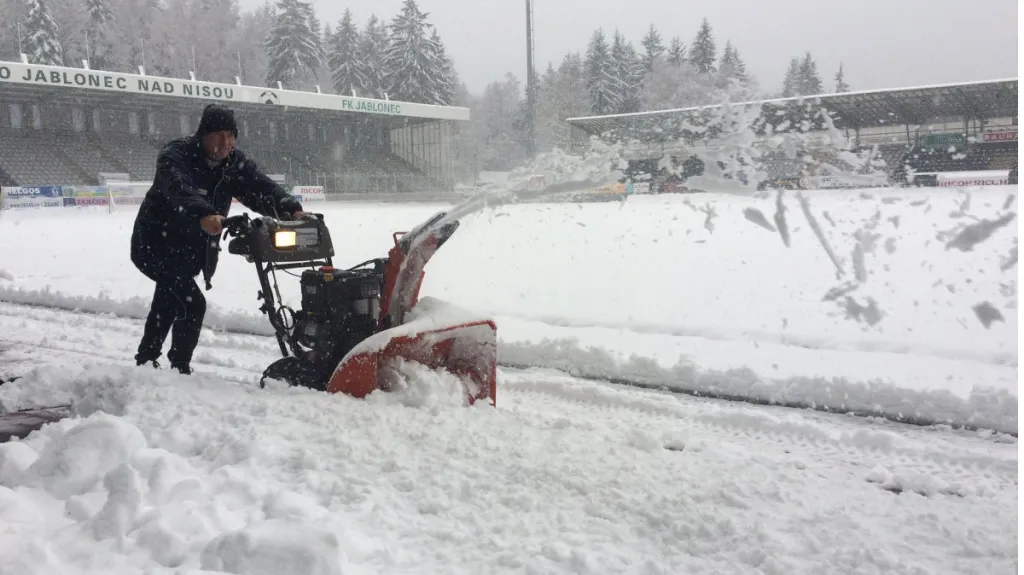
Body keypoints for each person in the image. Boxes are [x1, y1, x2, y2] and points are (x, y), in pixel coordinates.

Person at [130, 103, 310, 374]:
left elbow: (261, 187)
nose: (225, 142)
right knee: (192, 303)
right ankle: (179, 367)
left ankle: (146, 360)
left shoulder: (234, 164)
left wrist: (291, 208)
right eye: (218, 134)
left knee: (169, 298)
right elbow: (179, 187)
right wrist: (204, 212)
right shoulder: (176, 155)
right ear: (203, 134)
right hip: (156, 244)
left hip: (191, 250)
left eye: (231, 135)